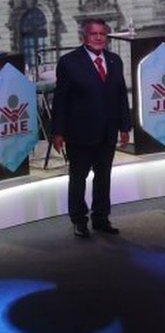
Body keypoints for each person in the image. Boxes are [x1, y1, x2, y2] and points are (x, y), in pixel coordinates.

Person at [52, 18, 131, 238]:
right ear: (83, 37)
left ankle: (101, 218)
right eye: (93, 34)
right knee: (78, 178)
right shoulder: (69, 62)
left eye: (102, 34)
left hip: (108, 132)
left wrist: (125, 126)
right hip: (79, 133)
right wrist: (58, 132)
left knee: (103, 177)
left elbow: (121, 96)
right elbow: (61, 100)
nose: (98, 38)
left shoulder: (115, 61)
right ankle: (79, 220)